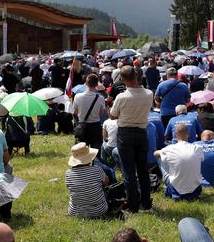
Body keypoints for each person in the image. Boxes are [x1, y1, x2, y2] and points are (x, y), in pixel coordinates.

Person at [110, 65, 154, 213]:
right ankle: (146, 203)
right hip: (141, 132)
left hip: (125, 133)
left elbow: (113, 115)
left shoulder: (121, 97)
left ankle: (133, 205)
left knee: (128, 171)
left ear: (122, 80)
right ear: (137, 75)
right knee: (143, 170)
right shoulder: (149, 93)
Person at [154, 124, 203, 200]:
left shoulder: (170, 148)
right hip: (195, 190)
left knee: (160, 158)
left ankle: (166, 182)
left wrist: (161, 152)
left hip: (176, 190)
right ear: (189, 135)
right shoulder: (197, 148)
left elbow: (155, 154)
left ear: (175, 135)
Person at [65, 142, 109, 218]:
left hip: (75, 212)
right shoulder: (96, 169)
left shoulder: (68, 173)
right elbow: (106, 182)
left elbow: (69, 188)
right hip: (99, 210)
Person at [73, 74, 107, 149]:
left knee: (82, 151)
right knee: (96, 151)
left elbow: (75, 111)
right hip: (95, 126)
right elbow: (101, 113)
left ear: (86, 83)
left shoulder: (77, 96)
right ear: (96, 84)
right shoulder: (101, 98)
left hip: (82, 126)